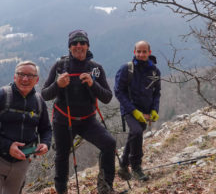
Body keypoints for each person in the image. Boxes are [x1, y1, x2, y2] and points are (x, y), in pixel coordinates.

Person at [41, 30, 117, 194]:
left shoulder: (95, 69)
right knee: (62, 156)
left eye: (82, 42)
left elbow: (107, 97)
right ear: (69, 47)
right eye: (74, 43)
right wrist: (57, 85)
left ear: (88, 46)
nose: (78, 46)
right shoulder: (60, 67)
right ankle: (62, 191)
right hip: (63, 121)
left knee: (109, 144)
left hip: (88, 121)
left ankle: (105, 187)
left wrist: (92, 84)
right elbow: (45, 94)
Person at [0, 60, 52, 194]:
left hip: (22, 162)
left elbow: (45, 129)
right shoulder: (0, 96)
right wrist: (8, 146)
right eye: (21, 74)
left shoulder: (39, 102)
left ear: (37, 80)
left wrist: (45, 144)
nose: (25, 78)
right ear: (14, 76)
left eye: (30, 76)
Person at [114, 40, 161, 181]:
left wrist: (154, 110)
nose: (141, 54)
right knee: (136, 132)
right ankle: (136, 168)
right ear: (134, 52)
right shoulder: (126, 69)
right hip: (129, 109)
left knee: (135, 135)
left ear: (149, 52)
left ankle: (123, 165)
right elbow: (118, 91)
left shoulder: (155, 71)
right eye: (138, 51)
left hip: (145, 111)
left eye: (144, 51)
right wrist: (133, 110)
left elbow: (156, 92)